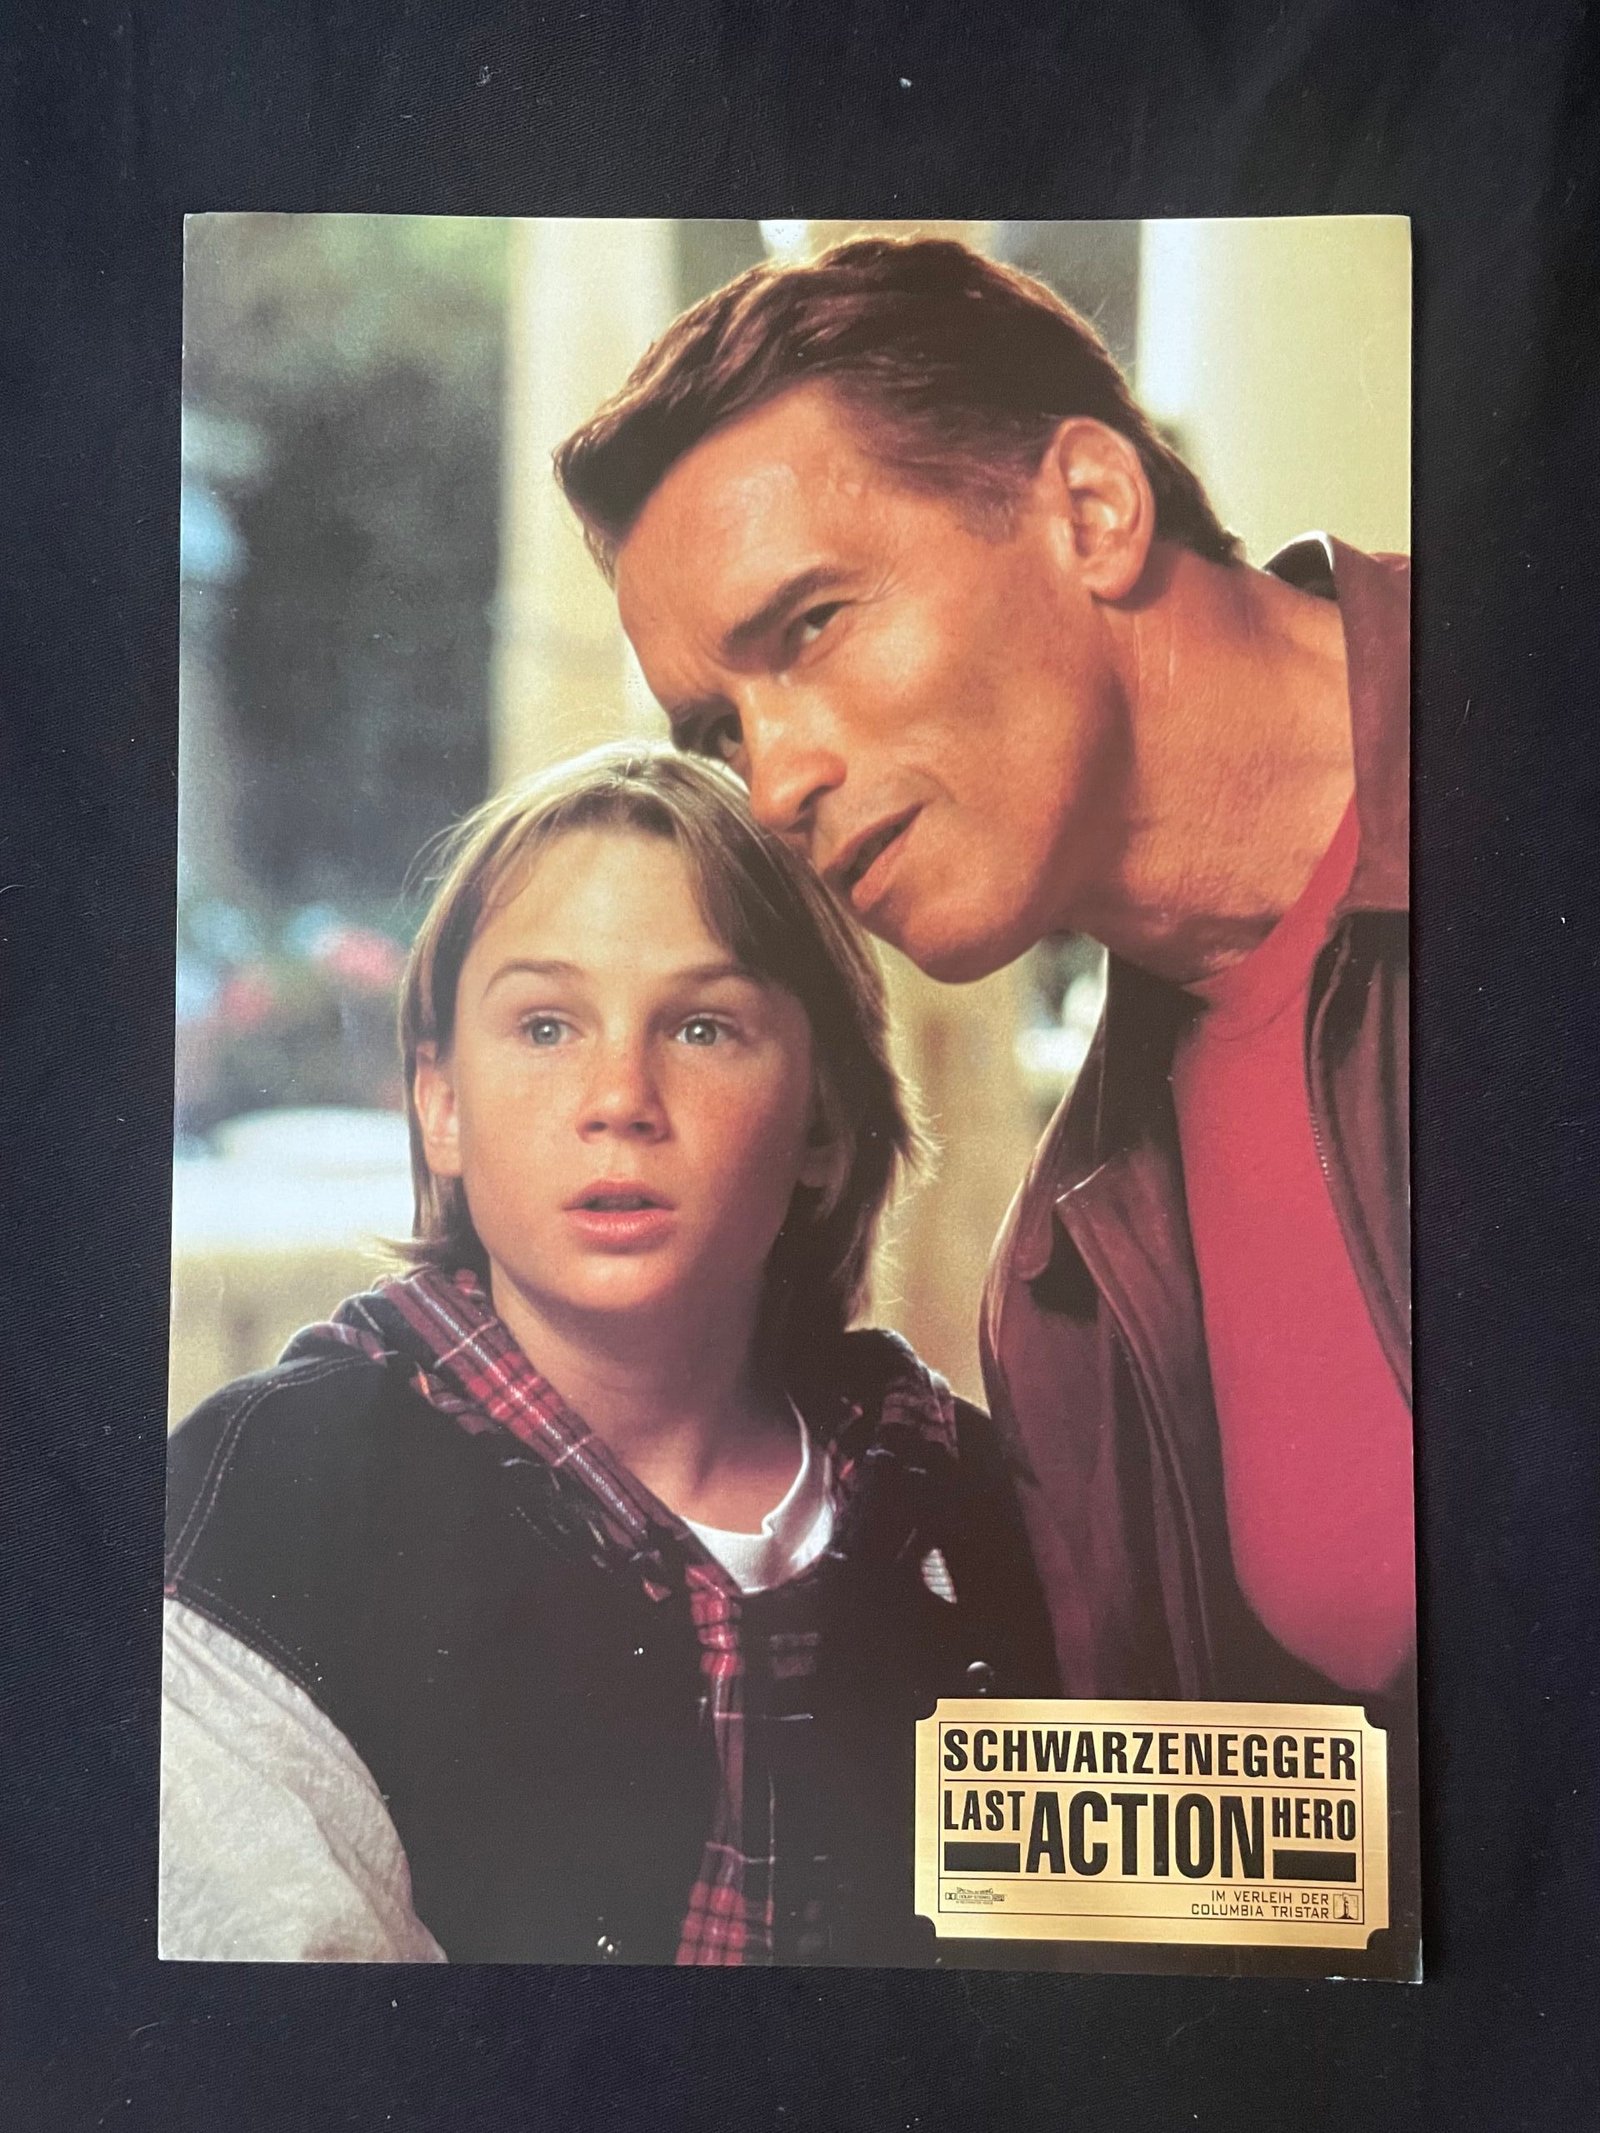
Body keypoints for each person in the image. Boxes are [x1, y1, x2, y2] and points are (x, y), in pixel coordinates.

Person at [553, 235, 1414, 1742]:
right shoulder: (1065, 1285)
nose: (772, 784)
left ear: (1090, 510)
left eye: (811, 625)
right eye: (719, 729)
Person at [160, 744, 1054, 1966]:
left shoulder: (964, 1497)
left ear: (825, 1127)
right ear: (441, 1105)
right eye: (544, 1026)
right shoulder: (268, 1498)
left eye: (702, 1026)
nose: (619, 1096)